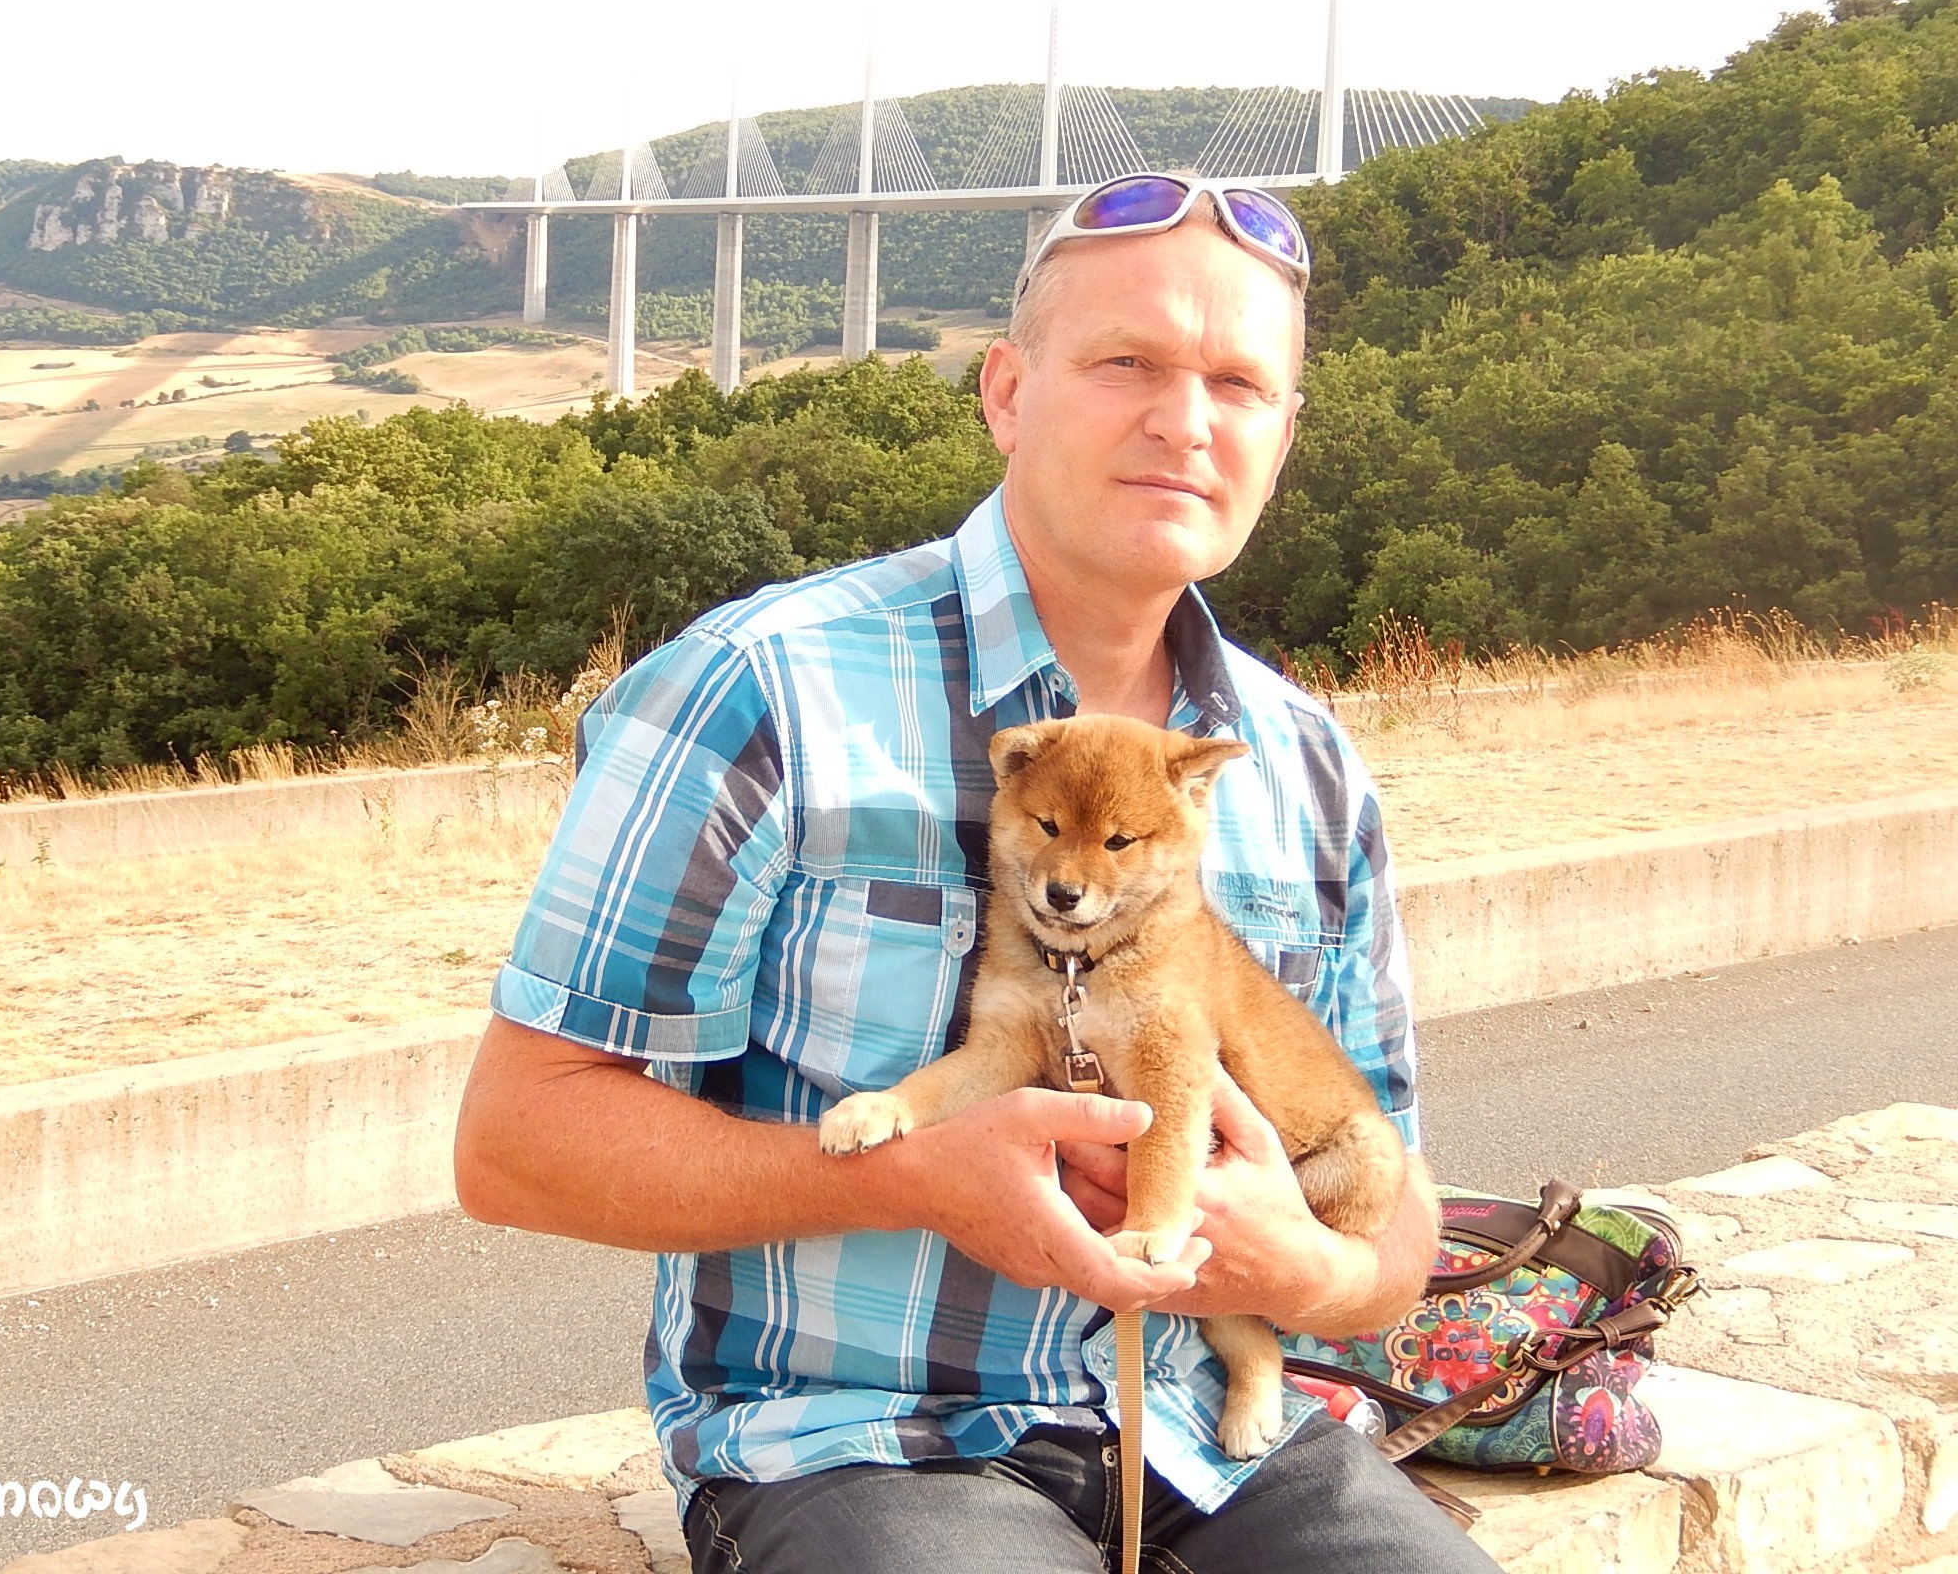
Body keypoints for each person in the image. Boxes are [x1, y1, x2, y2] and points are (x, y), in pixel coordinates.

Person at [453, 172, 1496, 1572]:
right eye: (1127, 361)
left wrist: (1314, 1273)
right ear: (1007, 391)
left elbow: (1402, 1201)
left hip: (1213, 1435)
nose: (1184, 421)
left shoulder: (1299, 763)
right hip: (864, 1446)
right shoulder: (758, 691)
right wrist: (915, 1178)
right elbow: (516, 1142)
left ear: (1282, 435)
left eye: (1238, 385)